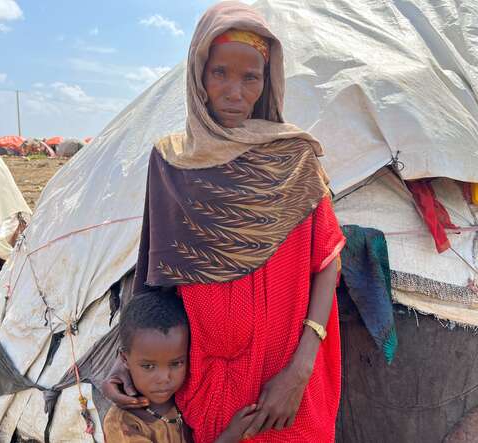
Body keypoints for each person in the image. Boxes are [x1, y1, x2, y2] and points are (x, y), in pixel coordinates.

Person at [102, 2, 346, 441]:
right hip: (208, 382)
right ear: (199, 75)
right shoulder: (173, 161)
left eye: (250, 77)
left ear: (266, 81)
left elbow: (327, 259)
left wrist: (301, 368)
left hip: (286, 379)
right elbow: (156, 269)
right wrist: (131, 357)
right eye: (220, 73)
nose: (234, 91)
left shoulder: (293, 157)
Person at [103, 290, 258, 442]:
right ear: (124, 360)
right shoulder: (122, 423)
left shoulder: (187, 401)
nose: (164, 378)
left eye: (176, 363)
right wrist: (231, 436)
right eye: (148, 366)